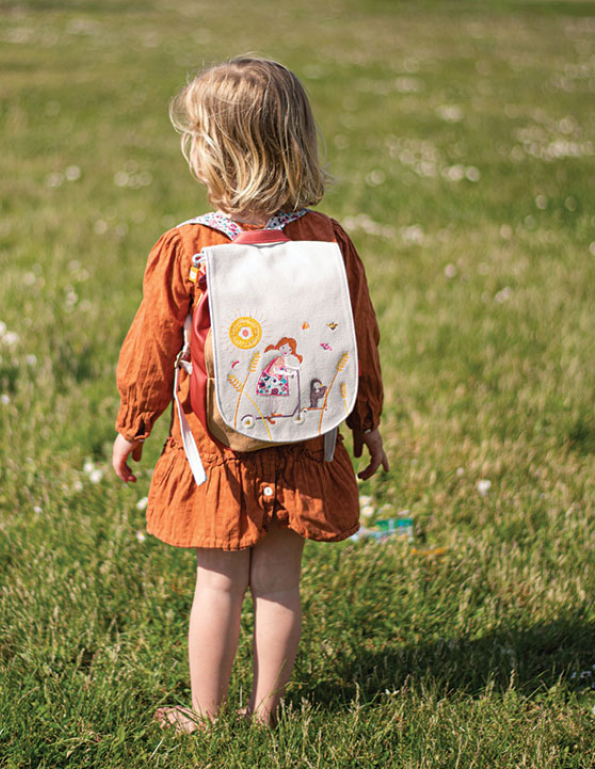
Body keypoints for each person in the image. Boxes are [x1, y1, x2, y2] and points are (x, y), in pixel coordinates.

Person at [111, 57, 389, 731]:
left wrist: (133, 423)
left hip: (217, 445)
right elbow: (359, 338)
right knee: (279, 584)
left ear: (216, 156)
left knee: (219, 582)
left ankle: (206, 718)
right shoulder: (328, 240)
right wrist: (367, 421)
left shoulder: (189, 245)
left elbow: (151, 346)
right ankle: (266, 712)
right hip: (307, 436)